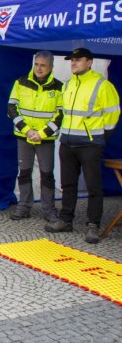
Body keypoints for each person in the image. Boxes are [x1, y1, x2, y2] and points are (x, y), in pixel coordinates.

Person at [46, 47, 120, 244]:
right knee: (68, 184)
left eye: (78, 60)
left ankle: (93, 225)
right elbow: (63, 112)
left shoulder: (102, 85)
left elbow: (112, 114)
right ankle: (66, 220)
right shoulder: (68, 84)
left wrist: (98, 136)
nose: (73, 63)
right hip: (67, 142)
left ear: (89, 62)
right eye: (72, 60)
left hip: (89, 144)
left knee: (94, 186)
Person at [7, 51, 63, 223]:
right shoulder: (20, 82)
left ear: (51, 67)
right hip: (24, 137)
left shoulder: (59, 87)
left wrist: (42, 133)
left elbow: (61, 115)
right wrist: (27, 130)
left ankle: (49, 209)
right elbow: (11, 109)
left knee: (47, 174)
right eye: (36, 64)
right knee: (24, 172)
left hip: (45, 139)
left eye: (43, 65)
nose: (38, 68)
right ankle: (24, 206)